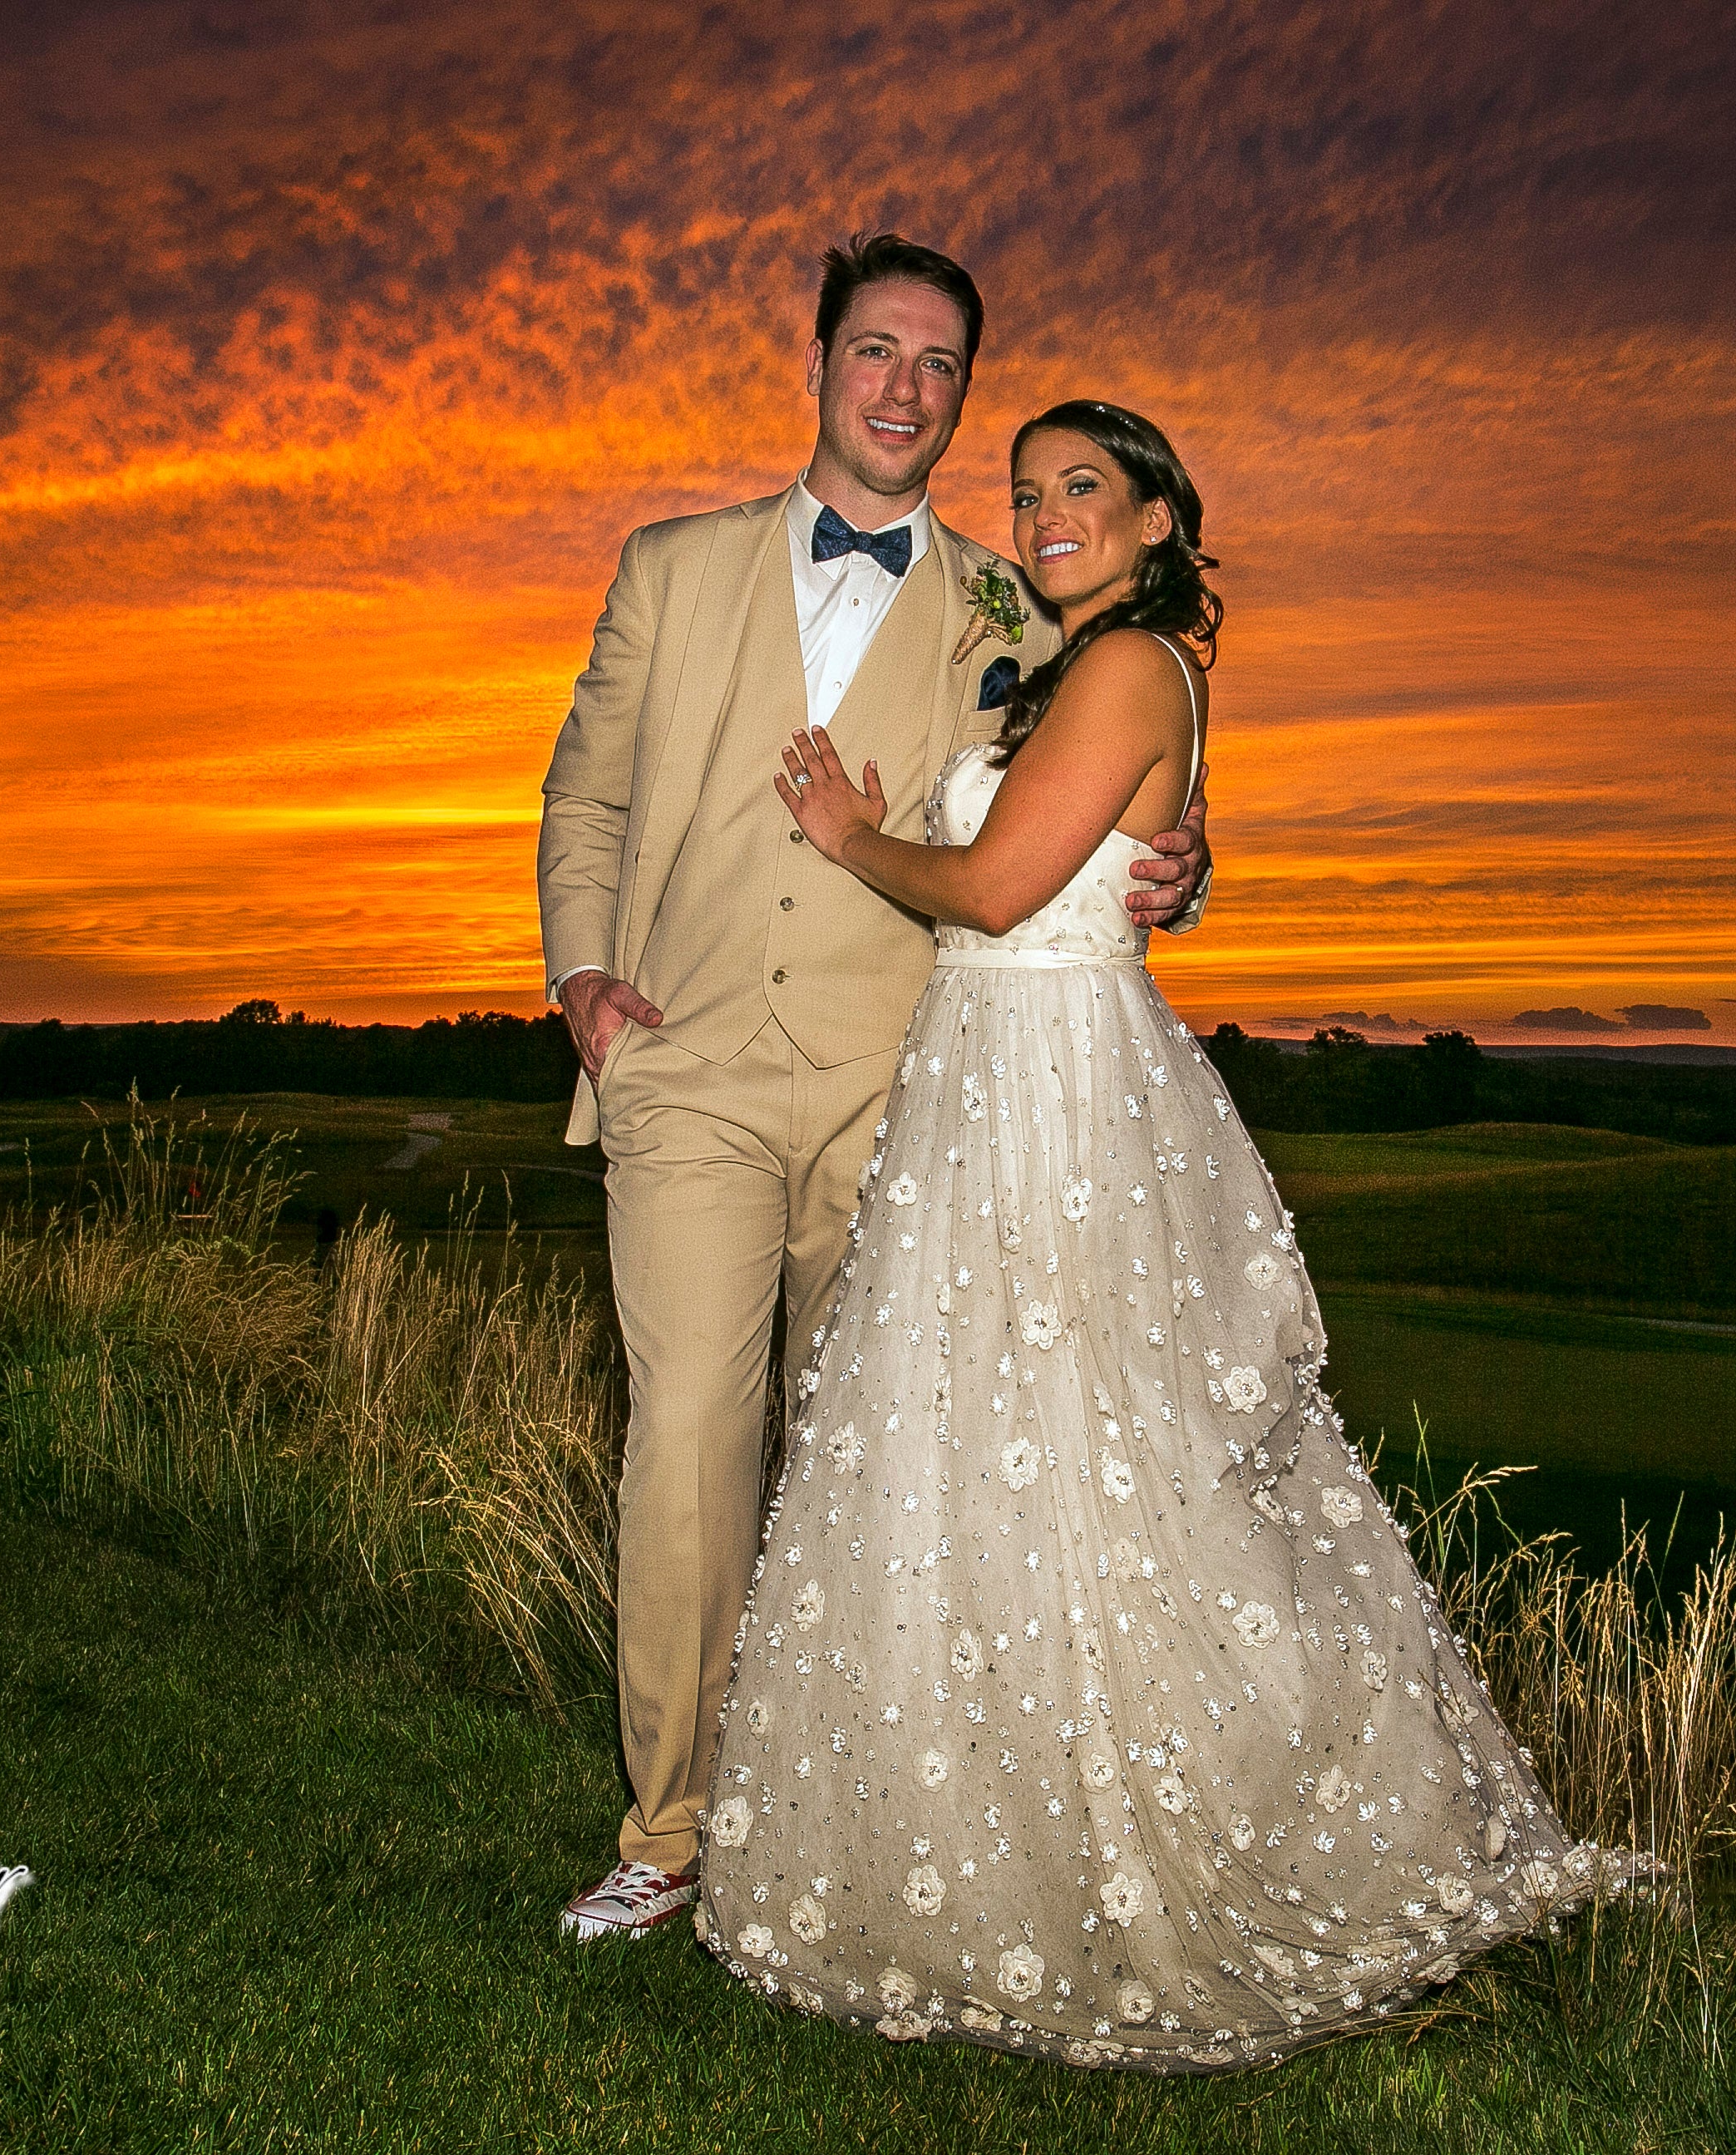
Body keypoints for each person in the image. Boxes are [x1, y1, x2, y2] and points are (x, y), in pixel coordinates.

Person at [694, 401, 1645, 2071]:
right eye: (1029, 490)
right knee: (986, 1464)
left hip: (1054, 1090)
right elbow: (1080, 851)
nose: (1047, 513)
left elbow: (996, 892)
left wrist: (851, 832)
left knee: (1098, 1463)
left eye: (1084, 490)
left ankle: (1196, 1835)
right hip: (985, 1079)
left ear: (1154, 523)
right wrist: (1168, 860)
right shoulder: (1060, 667)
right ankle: (1008, 1836)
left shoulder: (1133, 666)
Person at [535, 239, 1213, 1943]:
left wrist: (1183, 859)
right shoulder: (671, 566)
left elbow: (1103, 760)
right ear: (823, 362)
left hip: (897, 1087)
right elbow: (587, 797)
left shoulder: (1011, 599)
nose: (905, 387)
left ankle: (843, 1804)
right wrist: (580, 981)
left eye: (939, 366)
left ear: (959, 396)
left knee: (870, 1466)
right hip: (684, 1061)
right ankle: (670, 1831)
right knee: (690, 1434)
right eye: (878, 351)